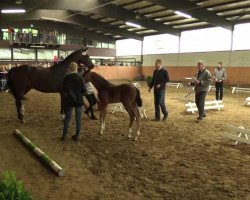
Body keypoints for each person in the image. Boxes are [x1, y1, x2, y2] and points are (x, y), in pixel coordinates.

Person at [62, 62, 86, 141]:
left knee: (67, 118)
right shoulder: (80, 78)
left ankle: (64, 136)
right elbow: (84, 91)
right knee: (78, 119)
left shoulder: (66, 78)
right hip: (79, 101)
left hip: (69, 101)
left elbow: (64, 90)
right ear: (76, 68)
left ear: (69, 69)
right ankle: (77, 136)